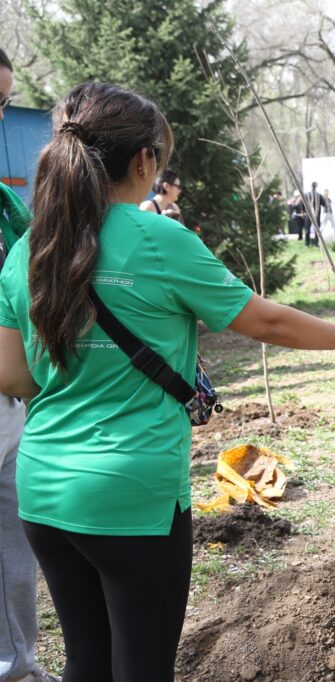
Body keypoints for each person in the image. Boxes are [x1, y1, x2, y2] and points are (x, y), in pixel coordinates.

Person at [0, 82, 335, 682]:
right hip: (133, 496)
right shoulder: (158, 239)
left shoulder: (26, 249)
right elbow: (264, 320)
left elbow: (12, 374)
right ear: (144, 160)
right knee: (143, 665)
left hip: (44, 491)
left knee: (86, 660)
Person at [0, 46, 60, 682]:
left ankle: (18, 666)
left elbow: (38, 256)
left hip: (9, 403)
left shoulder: (3, 203)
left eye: (3, 104)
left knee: (15, 550)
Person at [303, 181, 324, 247]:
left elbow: (302, 204)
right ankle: (316, 243)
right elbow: (324, 204)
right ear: (316, 186)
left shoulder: (306, 194)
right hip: (317, 215)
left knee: (307, 229)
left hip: (308, 214)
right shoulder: (319, 195)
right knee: (317, 230)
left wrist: (302, 212)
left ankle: (307, 243)